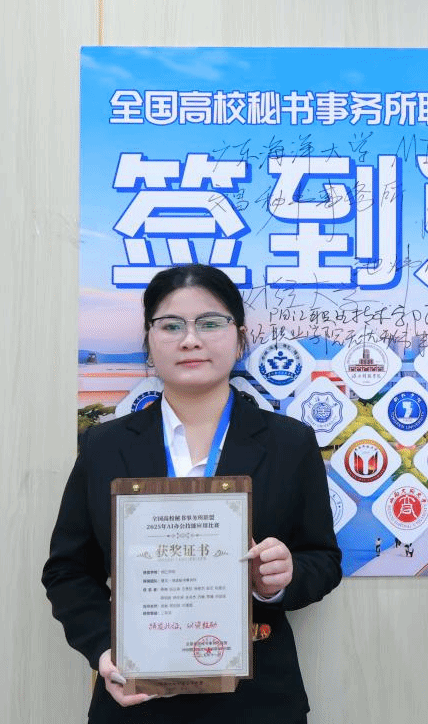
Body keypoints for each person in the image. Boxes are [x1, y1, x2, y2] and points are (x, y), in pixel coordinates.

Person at [42, 264, 342, 723]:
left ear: (239, 339)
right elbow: (68, 571)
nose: (190, 340)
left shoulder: (289, 442)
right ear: (148, 342)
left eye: (210, 323)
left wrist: (280, 580)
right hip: (136, 699)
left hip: (257, 700)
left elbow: (322, 560)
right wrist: (104, 648)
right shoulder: (105, 446)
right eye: (171, 326)